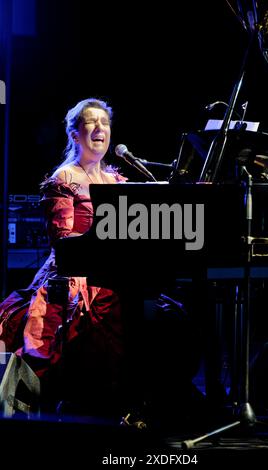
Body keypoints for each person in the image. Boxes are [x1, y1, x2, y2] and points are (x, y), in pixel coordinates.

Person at [0, 97, 128, 417]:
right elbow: (63, 238)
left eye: (105, 122)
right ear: (75, 134)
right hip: (75, 270)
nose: (100, 128)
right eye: (91, 122)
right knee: (62, 328)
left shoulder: (118, 180)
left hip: (115, 268)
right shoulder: (65, 178)